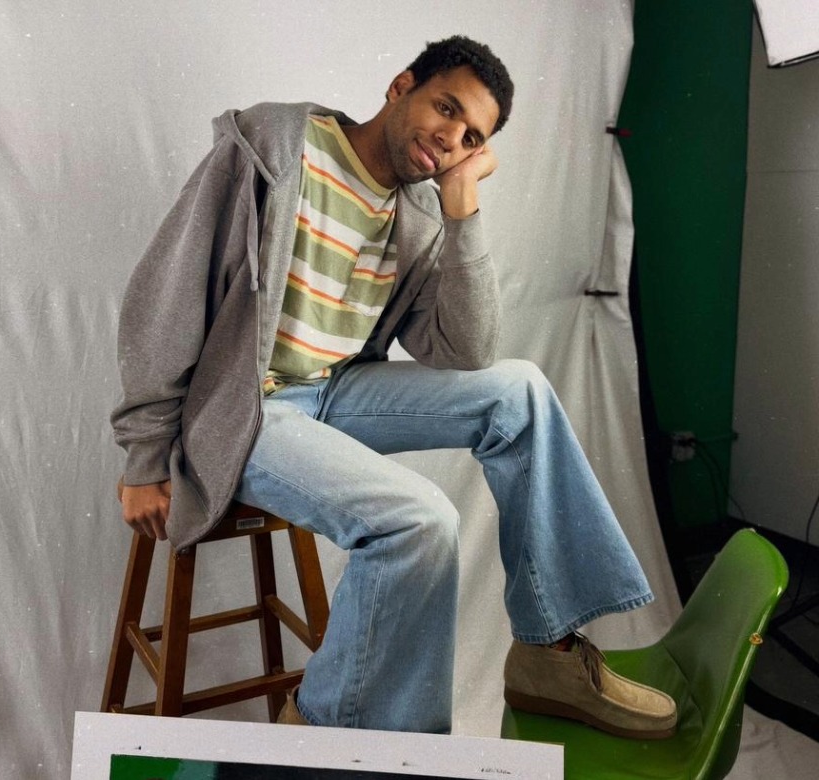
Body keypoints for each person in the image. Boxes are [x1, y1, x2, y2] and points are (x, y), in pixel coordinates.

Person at [111, 35, 677, 738]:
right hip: (247, 410)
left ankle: (550, 651)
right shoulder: (272, 147)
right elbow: (164, 295)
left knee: (520, 392)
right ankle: (324, 735)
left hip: (336, 393)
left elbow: (467, 350)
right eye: (447, 108)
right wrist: (144, 454)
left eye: (471, 137)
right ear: (401, 85)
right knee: (422, 521)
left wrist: (461, 205)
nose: (450, 138)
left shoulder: (420, 213)